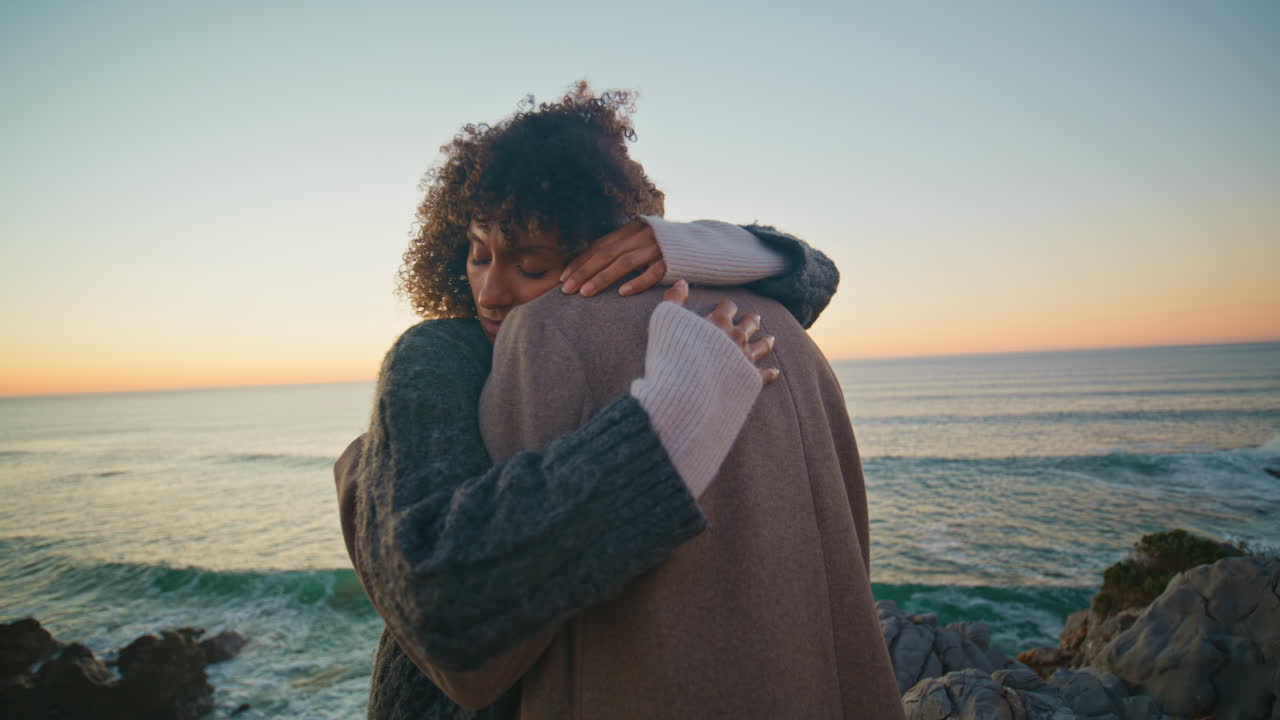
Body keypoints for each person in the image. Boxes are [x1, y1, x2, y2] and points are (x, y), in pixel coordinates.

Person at [335, 84, 846, 718]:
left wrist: (690, 246)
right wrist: (671, 422)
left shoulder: (587, 334)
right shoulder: (438, 354)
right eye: (477, 253)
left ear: (603, 257)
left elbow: (816, 278)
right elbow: (436, 592)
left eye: (531, 265)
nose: (491, 291)